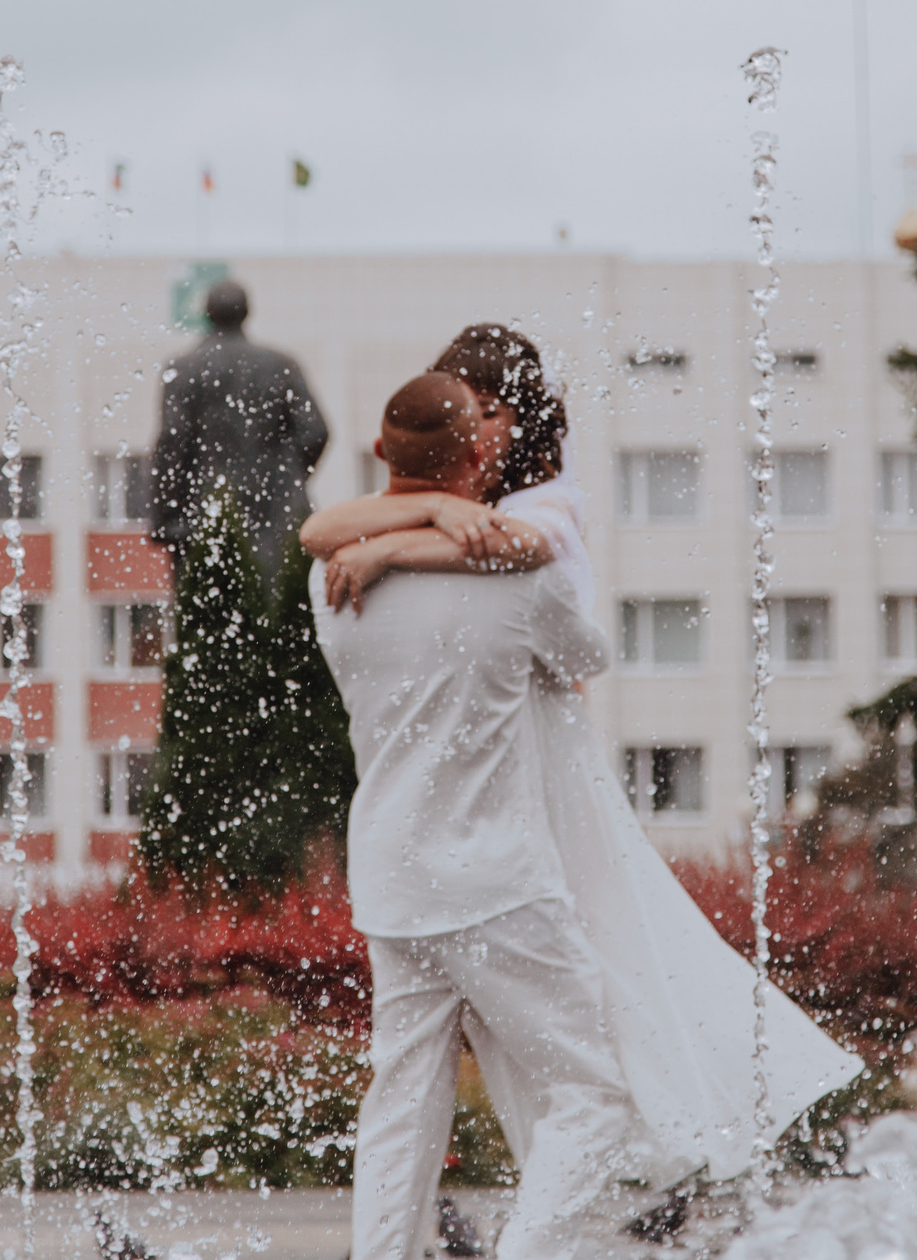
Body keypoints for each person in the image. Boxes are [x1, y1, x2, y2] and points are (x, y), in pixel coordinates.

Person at [303, 325, 860, 1191]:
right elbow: (320, 525)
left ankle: (665, 1147)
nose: (476, 426)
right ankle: (596, 1170)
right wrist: (433, 510)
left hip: (540, 764)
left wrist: (391, 543)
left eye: (490, 409)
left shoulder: (547, 504)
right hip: (486, 783)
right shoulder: (441, 508)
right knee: (518, 1035)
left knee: (608, 957)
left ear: (518, 419)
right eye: (463, 408)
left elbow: (520, 553)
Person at [311, 373, 650, 1260]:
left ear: (381, 454)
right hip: (497, 879)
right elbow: (588, 654)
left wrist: (405, 541)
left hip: (390, 875)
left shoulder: (332, 578)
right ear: (476, 457)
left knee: (402, 1104)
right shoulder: (518, 577)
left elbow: (336, 529)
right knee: (592, 1096)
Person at [147, 278, 329, 568]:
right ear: (247, 313)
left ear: (206, 313)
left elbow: (172, 443)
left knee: (209, 604)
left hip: (205, 512)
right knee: (279, 606)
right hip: (276, 514)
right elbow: (315, 432)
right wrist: (285, 478)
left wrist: (165, 517)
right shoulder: (281, 365)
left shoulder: (183, 369)